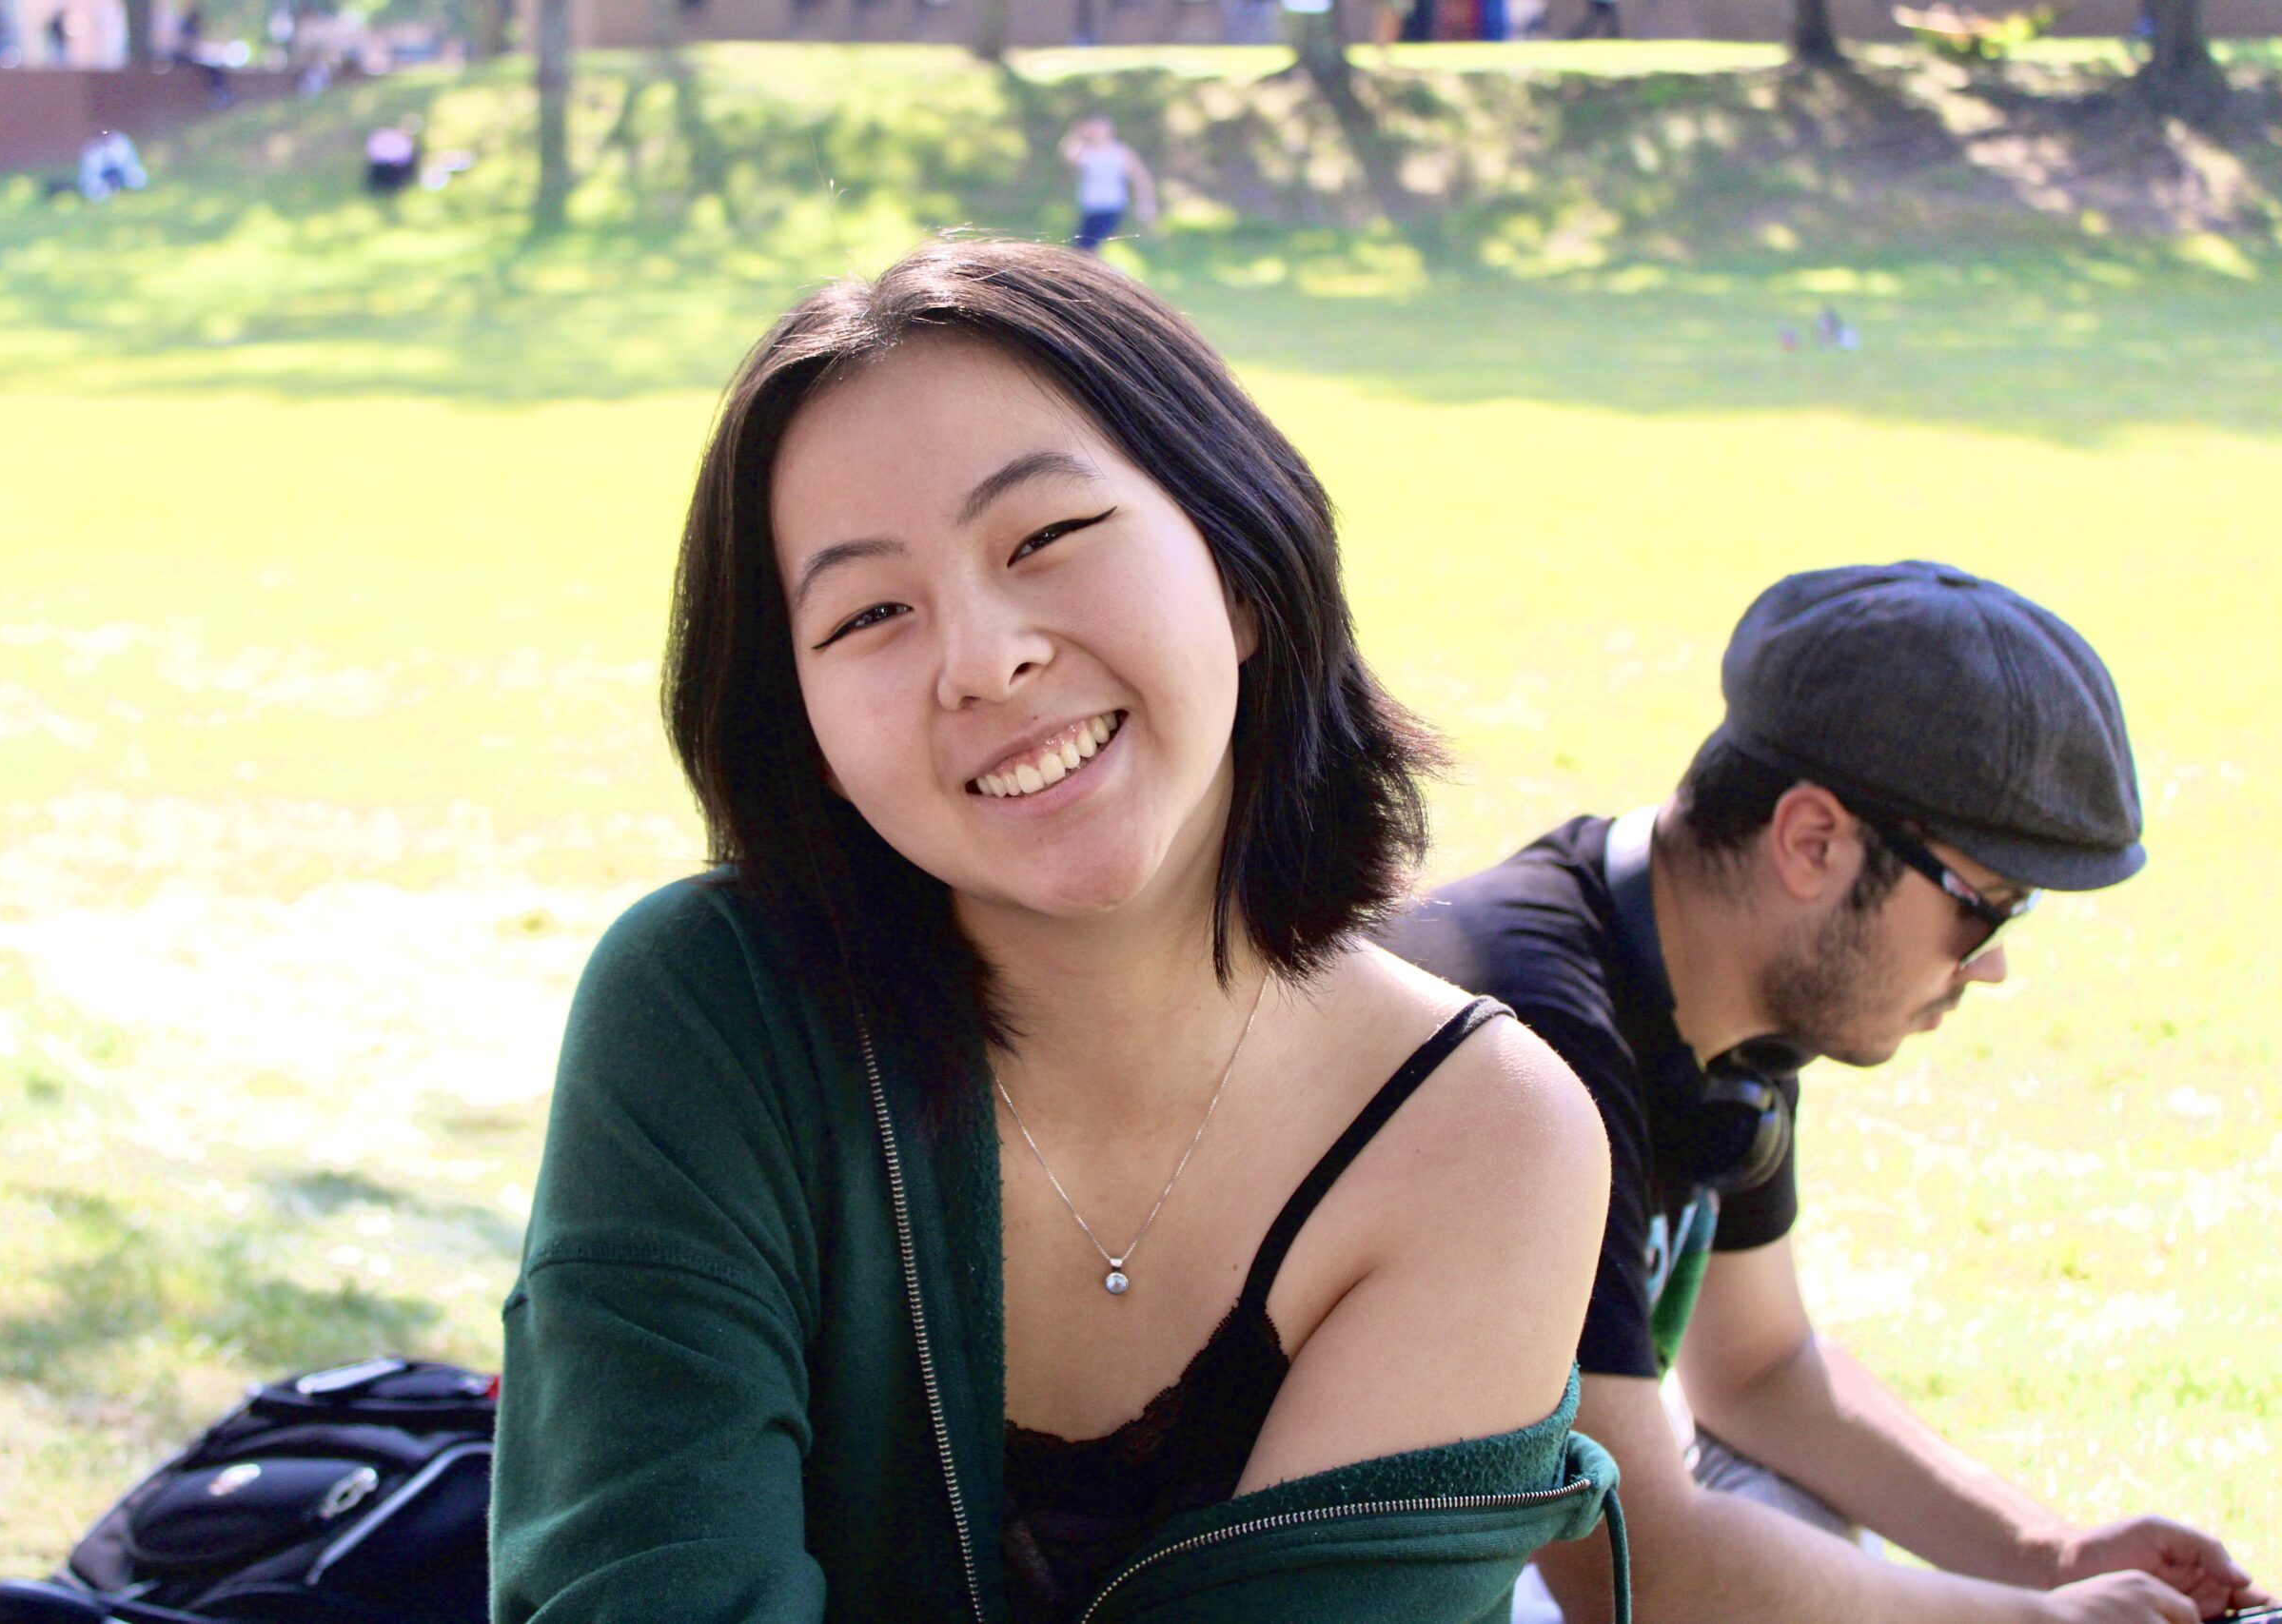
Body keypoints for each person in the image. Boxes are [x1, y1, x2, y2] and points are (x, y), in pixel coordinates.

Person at [489, 239, 1623, 1624]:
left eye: (1043, 536)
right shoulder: (712, 1015)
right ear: (809, 736)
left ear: (1243, 569)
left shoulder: (1485, 1140)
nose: (982, 656)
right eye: (870, 612)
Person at [1385, 562, 2270, 1624]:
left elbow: (1758, 1371)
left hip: (1490, 1549)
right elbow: (1632, 1565)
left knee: (1787, 1508)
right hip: (1338, 1584)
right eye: (1982, 908)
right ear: (1811, 842)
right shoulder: (1524, 1038)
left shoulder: (1713, 984)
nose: (1989, 967)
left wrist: (2047, 1556)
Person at [1059, 115, 1157, 252]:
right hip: (1090, 207)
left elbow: (1140, 177)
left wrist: (1146, 202)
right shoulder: (1086, 152)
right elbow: (1068, 156)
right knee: (1079, 248)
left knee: (1087, 248)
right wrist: (1076, 133)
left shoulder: (1120, 152)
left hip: (1111, 206)